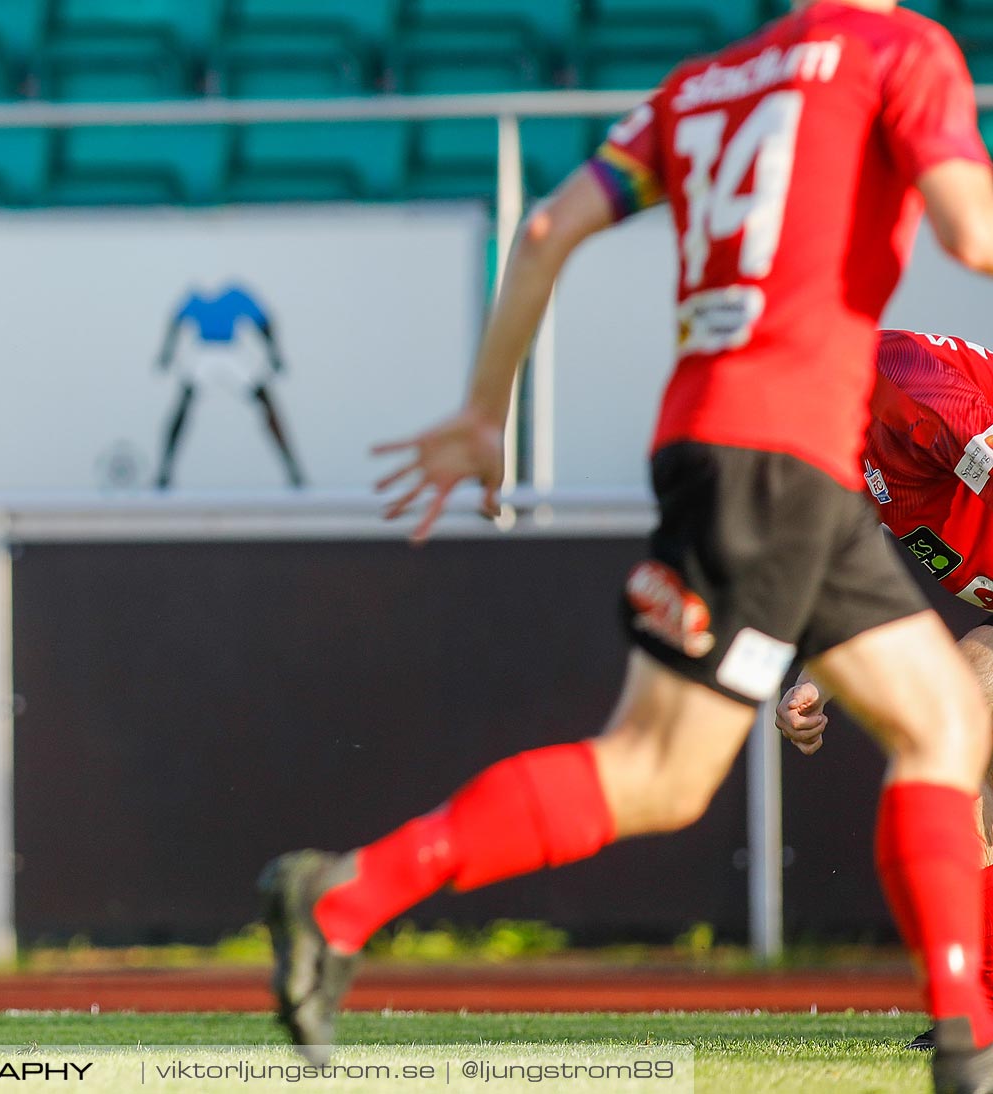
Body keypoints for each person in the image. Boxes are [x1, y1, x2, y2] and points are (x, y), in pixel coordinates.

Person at [254, 4, 993, 1091]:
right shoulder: (902, 51)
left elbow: (548, 228)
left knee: (920, 725)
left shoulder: (702, 85)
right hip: (794, 443)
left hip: (719, 442)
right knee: (681, 765)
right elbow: (970, 231)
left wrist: (481, 409)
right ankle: (344, 895)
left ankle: (964, 1043)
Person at [776, 329, 993, 1051]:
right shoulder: (820, 442)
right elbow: (846, 577)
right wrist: (814, 681)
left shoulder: (915, 384)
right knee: (952, 732)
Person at [153, 283, 306, 489]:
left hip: (231, 351)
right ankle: (164, 471)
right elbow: (176, 323)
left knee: (266, 402)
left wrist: (275, 354)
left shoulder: (235, 295)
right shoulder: (194, 297)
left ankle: (294, 470)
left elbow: (264, 323)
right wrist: (167, 353)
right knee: (183, 406)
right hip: (204, 351)